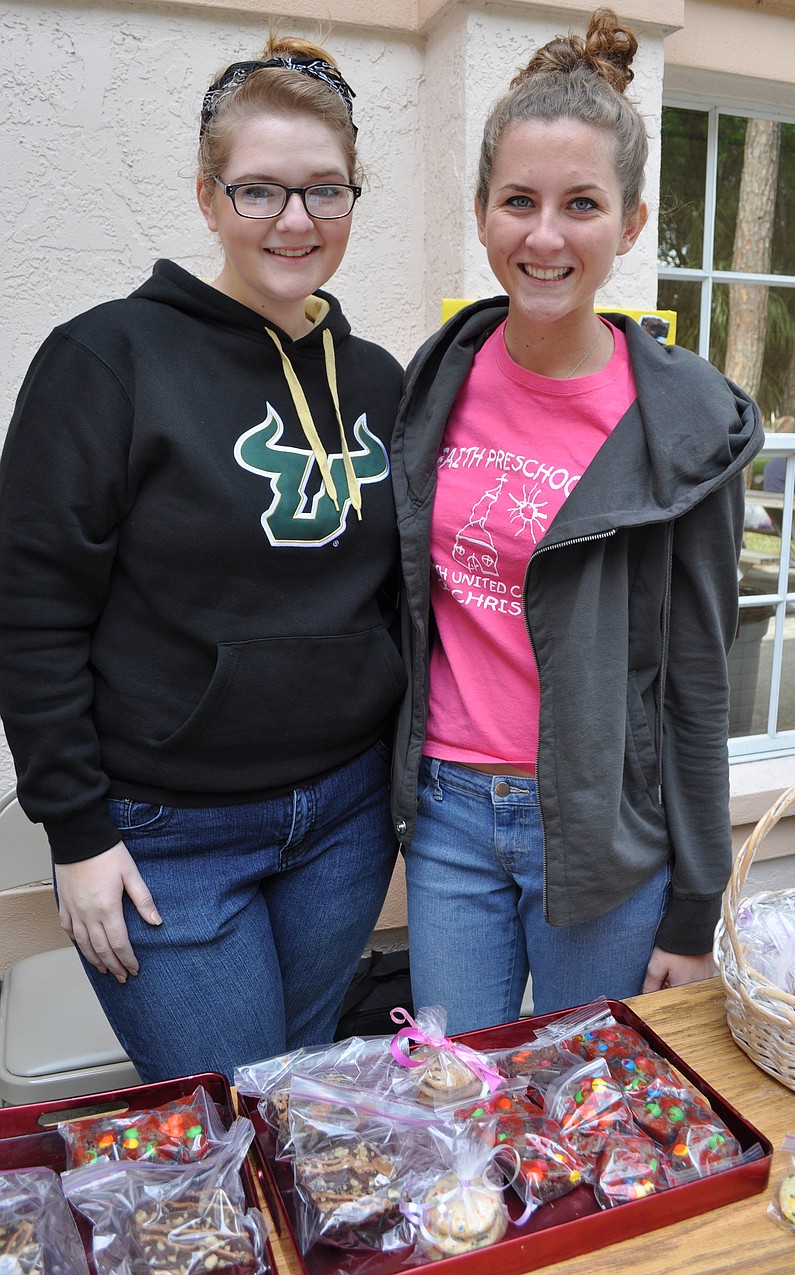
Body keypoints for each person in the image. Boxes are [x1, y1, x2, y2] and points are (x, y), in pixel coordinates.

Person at [0, 34, 405, 1081]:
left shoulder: (376, 381)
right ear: (208, 196)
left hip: (345, 817)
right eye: (260, 190)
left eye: (325, 191)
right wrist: (77, 836)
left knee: (301, 1082)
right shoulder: (106, 359)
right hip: (166, 833)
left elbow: (395, 595)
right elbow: (32, 610)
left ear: (353, 198)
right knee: (231, 1109)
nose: (296, 221)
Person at [391, 8, 763, 1034]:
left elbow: (696, 678)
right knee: (452, 1103)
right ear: (480, 214)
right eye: (517, 201)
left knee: (582, 1112)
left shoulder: (680, 427)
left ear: (631, 225)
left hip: (603, 833)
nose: (543, 236)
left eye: (580, 205)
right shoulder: (435, 382)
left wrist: (695, 908)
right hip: (451, 818)